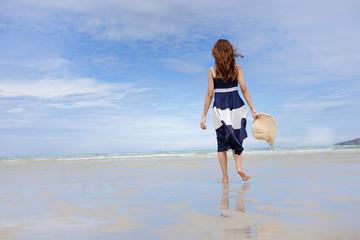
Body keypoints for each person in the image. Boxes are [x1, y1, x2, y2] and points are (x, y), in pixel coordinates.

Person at [200, 39, 257, 182]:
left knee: (221, 143)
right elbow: (244, 89)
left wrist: (203, 116)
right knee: (236, 137)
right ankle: (239, 167)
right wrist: (252, 108)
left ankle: (225, 177)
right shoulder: (237, 69)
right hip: (236, 104)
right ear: (231, 52)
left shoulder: (212, 71)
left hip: (220, 106)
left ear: (216, 54)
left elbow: (209, 94)